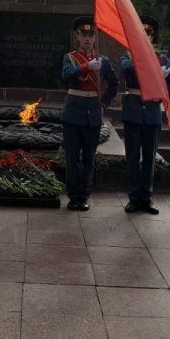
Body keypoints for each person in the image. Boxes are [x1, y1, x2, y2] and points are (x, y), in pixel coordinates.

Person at [120, 15, 170, 215]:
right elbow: (126, 69)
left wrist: (163, 88)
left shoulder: (162, 59)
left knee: (149, 158)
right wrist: (153, 69)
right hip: (134, 112)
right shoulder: (128, 55)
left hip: (152, 113)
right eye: (142, 31)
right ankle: (133, 197)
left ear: (153, 35)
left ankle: (145, 198)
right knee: (132, 157)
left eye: (149, 32)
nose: (146, 35)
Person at [61, 16, 119, 211]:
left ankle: (84, 195)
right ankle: (73, 195)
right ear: (77, 37)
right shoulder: (69, 58)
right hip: (73, 113)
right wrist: (86, 66)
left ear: (95, 38)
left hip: (93, 113)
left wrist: (104, 104)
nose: (87, 38)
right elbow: (66, 75)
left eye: (91, 34)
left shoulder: (103, 60)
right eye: (83, 34)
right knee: (72, 158)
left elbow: (114, 84)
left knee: (88, 158)